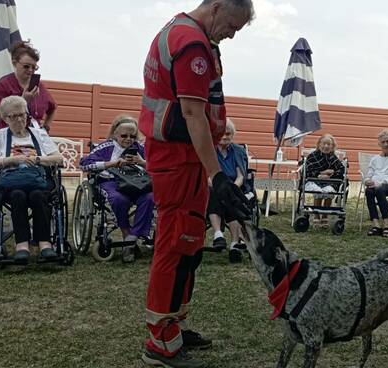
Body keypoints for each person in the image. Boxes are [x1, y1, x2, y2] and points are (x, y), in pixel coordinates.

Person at [138, 1, 254, 367]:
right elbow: (192, 113)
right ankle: (159, 339)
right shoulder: (191, 44)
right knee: (176, 244)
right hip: (179, 160)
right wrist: (215, 173)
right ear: (217, 7)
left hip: (183, 158)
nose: (232, 34)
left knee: (189, 244)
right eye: (232, 25)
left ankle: (173, 325)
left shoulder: (182, 32)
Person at [0, 95, 63, 264]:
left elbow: (58, 159)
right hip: (11, 183)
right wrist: (9, 160)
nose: (19, 119)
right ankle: (22, 245)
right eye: (13, 116)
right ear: (4, 118)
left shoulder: (39, 134)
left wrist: (39, 159)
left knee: (38, 196)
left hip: (38, 180)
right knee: (18, 196)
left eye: (22, 114)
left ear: (27, 114)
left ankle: (45, 243)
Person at [80, 115, 155, 263]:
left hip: (137, 184)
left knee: (150, 198)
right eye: (124, 135)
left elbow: (158, 167)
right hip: (111, 182)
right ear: (115, 134)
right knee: (118, 199)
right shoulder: (106, 147)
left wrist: (143, 162)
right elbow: (84, 164)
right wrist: (111, 164)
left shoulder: (140, 148)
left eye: (132, 136)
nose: (128, 139)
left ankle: (132, 239)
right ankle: (127, 235)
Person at [208, 119, 252, 262]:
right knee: (216, 194)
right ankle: (218, 234)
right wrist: (219, 187)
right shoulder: (209, 150)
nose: (225, 136)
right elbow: (206, 175)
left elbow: (241, 176)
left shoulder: (238, 151)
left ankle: (234, 244)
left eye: (228, 134)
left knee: (232, 198)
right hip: (212, 186)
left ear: (233, 135)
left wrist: (231, 188)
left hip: (234, 187)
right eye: (221, 133)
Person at [0, 40, 57, 132]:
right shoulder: (4, 84)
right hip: (10, 136)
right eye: (26, 66)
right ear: (14, 63)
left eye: (34, 67)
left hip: (34, 137)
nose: (30, 70)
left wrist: (46, 127)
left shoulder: (39, 86)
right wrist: (23, 100)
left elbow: (53, 108)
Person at [364, 129, 388, 238]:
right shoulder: (375, 159)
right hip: (375, 185)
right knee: (369, 190)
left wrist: (380, 183)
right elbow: (369, 174)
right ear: (379, 143)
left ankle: (387, 223)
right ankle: (376, 223)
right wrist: (367, 180)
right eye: (383, 142)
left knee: (379, 189)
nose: (386, 144)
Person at [304, 134, 345, 228]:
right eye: (324, 143)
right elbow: (308, 170)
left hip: (329, 181)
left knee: (329, 190)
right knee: (318, 190)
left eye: (329, 144)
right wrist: (320, 174)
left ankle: (325, 216)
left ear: (332, 146)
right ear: (319, 144)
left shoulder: (333, 158)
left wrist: (331, 174)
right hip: (314, 180)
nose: (326, 146)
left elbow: (341, 170)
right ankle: (316, 215)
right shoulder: (313, 156)